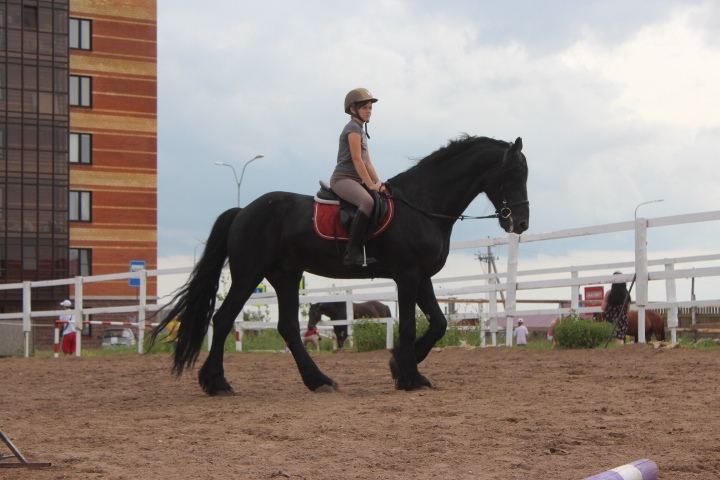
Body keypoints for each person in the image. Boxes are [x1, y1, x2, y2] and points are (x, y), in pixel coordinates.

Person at [330, 88, 388, 266]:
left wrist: (379, 183)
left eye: (370, 108)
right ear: (353, 109)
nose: (369, 111)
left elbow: (368, 163)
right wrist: (370, 185)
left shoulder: (361, 131)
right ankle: (352, 252)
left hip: (355, 180)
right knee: (367, 202)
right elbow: (357, 159)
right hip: (342, 179)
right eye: (364, 108)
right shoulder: (352, 128)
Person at [602, 271, 631, 345]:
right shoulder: (626, 294)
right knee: (620, 339)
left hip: (610, 320)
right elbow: (628, 310)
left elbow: (603, 307)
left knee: (610, 340)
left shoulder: (609, 293)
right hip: (622, 320)